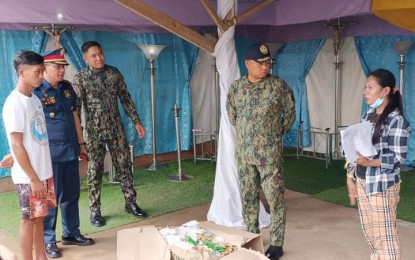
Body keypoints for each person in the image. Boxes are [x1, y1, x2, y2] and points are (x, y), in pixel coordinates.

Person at [226, 43, 295, 260]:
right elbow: (232, 116)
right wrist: (250, 136)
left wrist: (274, 134)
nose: (265, 67)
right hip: (245, 155)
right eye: (260, 63)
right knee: (248, 197)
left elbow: (290, 113)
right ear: (247, 63)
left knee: (275, 198)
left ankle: (276, 242)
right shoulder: (236, 88)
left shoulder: (278, 86)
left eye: (268, 63)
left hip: (270, 156)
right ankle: (252, 236)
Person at [72, 41, 147, 227]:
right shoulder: (80, 78)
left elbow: (125, 98)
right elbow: (75, 109)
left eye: (100, 53)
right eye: (93, 56)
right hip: (93, 133)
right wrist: (79, 138)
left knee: (124, 166)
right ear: (85, 59)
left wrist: (136, 121)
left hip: (116, 130)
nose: (99, 58)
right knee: (94, 172)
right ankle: (95, 210)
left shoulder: (114, 73)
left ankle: (131, 202)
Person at [32, 49, 94, 258]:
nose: (61, 71)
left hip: (70, 150)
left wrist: (82, 143)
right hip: (50, 155)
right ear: (44, 69)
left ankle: (71, 233)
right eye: (57, 67)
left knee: (71, 195)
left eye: (63, 67)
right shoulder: (37, 91)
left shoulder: (67, 88)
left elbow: (74, 116)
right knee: (51, 199)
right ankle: (48, 240)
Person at [348, 69, 410, 260]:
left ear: (385, 91)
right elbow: (359, 148)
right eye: (365, 87)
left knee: (385, 237)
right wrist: (351, 172)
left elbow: (398, 158)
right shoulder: (367, 116)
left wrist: (369, 162)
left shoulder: (397, 121)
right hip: (363, 179)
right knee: (371, 234)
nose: (365, 92)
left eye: (370, 87)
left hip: (382, 184)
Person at [2, 50, 55, 260]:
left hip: (42, 171)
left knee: (39, 217)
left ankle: (40, 257)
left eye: (42, 71)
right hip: (29, 177)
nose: (41, 76)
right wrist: (33, 178)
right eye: (37, 71)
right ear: (22, 72)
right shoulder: (14, 102)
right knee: (28, 219)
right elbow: (16, 144)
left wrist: (40, 176)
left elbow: (31, 140)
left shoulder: (34, 99)